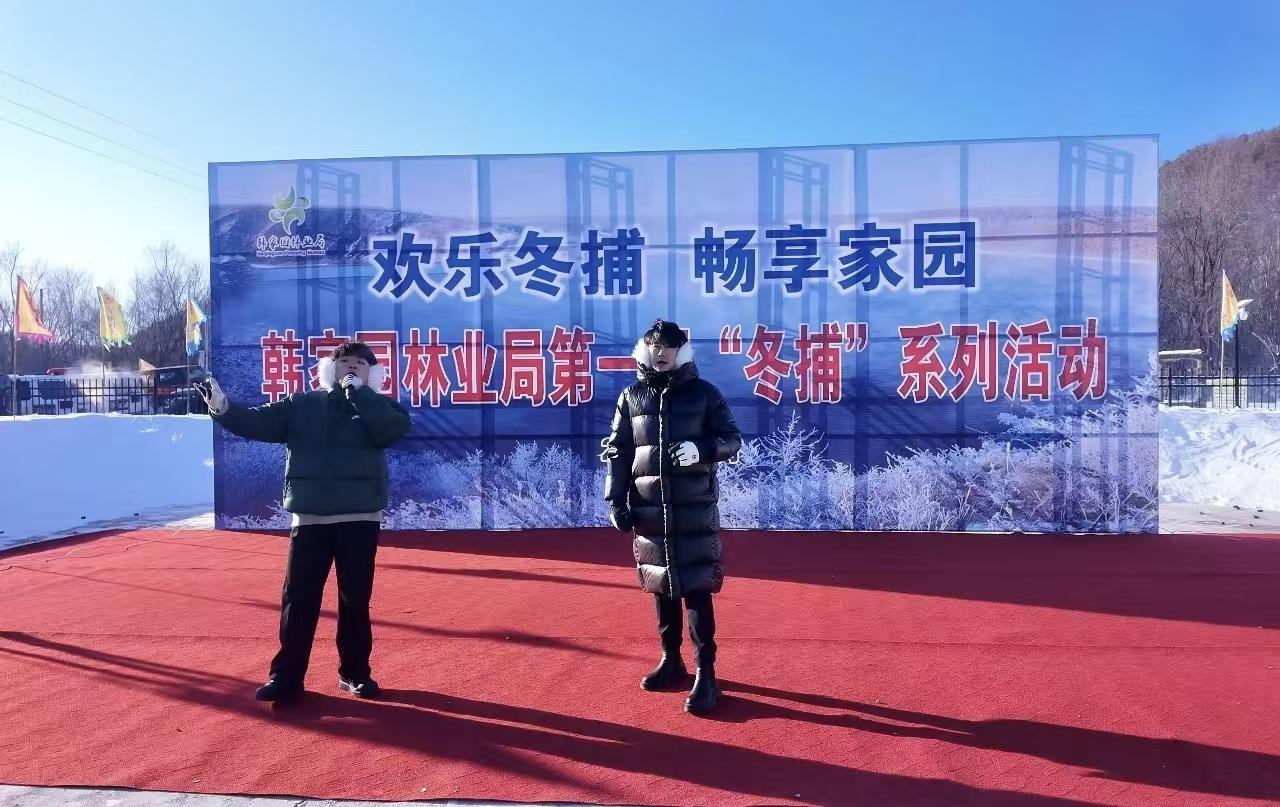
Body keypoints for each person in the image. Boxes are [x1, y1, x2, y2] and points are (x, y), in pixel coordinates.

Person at [197, 341, 411, 703]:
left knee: (355, 599)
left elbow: (392, 430)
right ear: (330, 368)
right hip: (311, 516)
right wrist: (223, 408)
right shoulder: (302, 404)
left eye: (360, 364)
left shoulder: (379, 405)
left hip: (360, 516)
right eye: (344, 361)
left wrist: (360, 395)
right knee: (299, 599)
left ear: (372, 373)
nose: (352, 367)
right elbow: (259, 421)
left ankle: (355, 673)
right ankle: (286, 677)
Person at [601, 319, 742, 715]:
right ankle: (671, 659)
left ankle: (706, 675)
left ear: (682, 351)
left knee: (696, 588)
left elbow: (732, 440)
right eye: (654, 345)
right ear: (644, 350)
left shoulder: (704, 394)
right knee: (660, 585)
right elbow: (618, 450)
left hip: (693, 510)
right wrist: (615, 501)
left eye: (668, 346)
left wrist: (702, 450)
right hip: (649, 511)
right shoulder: (631, 397)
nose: (660, 352)